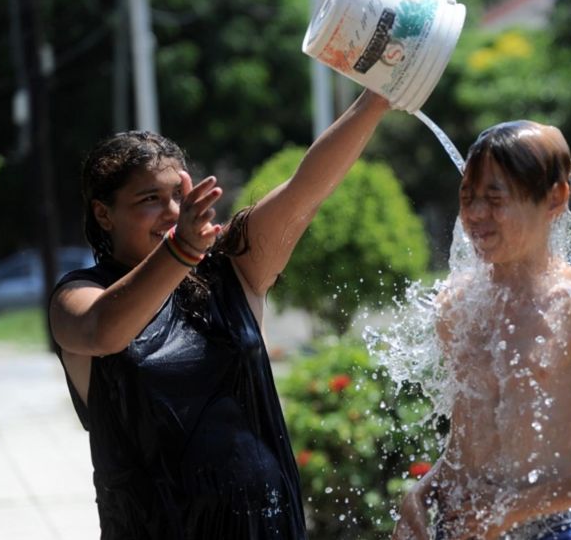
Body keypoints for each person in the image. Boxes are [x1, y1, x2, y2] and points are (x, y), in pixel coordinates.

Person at [49, 90, 391, 539]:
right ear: (104, 214)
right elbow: (104, 332)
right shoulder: (79, 296)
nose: (172, 212)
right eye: (150, 198)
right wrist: (182, 249)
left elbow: (305, 189)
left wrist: (377, 99)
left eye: (179, 195)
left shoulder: (231, 268)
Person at [392, 121, 571, 540]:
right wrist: (424, 490)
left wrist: (512, 511)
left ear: (555, 198)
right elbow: (474, 444)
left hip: (543, 531)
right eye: (467, 198)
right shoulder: (458, 302)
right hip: (458, 528)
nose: (475, 214)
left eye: (494, 199)